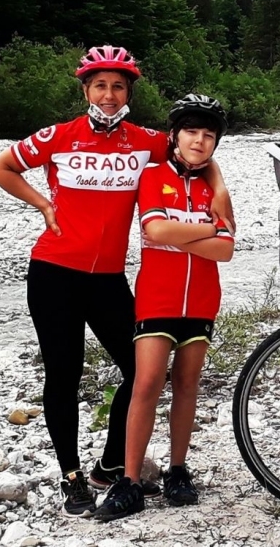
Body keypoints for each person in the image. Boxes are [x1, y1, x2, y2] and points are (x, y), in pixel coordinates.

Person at [0, 47, 233, 517]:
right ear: (85, 90)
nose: (109, 94)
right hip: (54, 272)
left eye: (118, 86)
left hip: (108, 278)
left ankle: (109, 466)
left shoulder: (144, 140)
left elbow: (195, 150)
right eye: (100, 85)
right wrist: (42, 203)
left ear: (129, 93)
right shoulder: (59, 136)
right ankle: (72, 476)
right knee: (65, 372)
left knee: (141, 372)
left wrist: (218, 189)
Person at [94, 94, 235, 521]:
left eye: (209, 135)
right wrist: (207, 227)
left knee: (188, 386)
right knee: (147, 383)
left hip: (202, 301)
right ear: (174, 136)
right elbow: (153, 227)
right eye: (192, 131)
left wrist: (182, 233)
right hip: (157, 297)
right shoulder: (153, 175)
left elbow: (226, 251)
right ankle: (130, 480)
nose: (200, 141)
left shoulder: (214, 186)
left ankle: (177, 470)